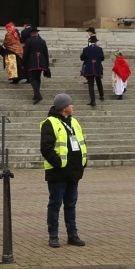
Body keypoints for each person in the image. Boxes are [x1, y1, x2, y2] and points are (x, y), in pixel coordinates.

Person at [39, 93, 88, 248]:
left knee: (71, 204)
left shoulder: (74, 122)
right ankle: (53, 235)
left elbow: (81, 143)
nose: (73, 106)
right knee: (55, 204)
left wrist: (83, 162)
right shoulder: (50, 123)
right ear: (63, 107)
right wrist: (59, 164)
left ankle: (72, 234)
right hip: (58, 172)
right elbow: (46, 148)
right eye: (70, 103)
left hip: (74, 171)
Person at [23, 26, 51, 104]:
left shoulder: (29, 41)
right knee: (38, 78)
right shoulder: (42, 41)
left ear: (31, 33)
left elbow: (26, 52)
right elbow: (46, 53)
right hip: (41, 62)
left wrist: (23, 61)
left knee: (32, 79)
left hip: (32, 62)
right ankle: (36, 94)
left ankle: (38, 95)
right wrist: (47, 65)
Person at [79, 34, 106, 107]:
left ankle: (93, 100)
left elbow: (82, 58)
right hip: (97, 67)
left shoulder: (86, 49)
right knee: (99, 81)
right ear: (96, 42)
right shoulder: (99, 49)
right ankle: (101, 95)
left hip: (89, 67)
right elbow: (102, 58)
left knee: (91, 84)